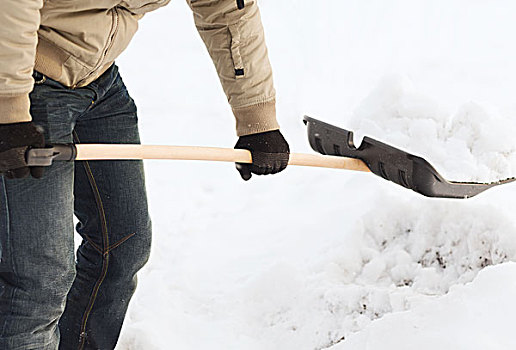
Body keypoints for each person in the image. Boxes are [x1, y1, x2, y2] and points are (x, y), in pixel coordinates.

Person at [0, 0, 289, 348]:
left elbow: (227, 7)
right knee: (39, 278)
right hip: (22, 76)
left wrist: (257, 117)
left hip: (98, 80)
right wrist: (9, 109)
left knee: (122, 246)